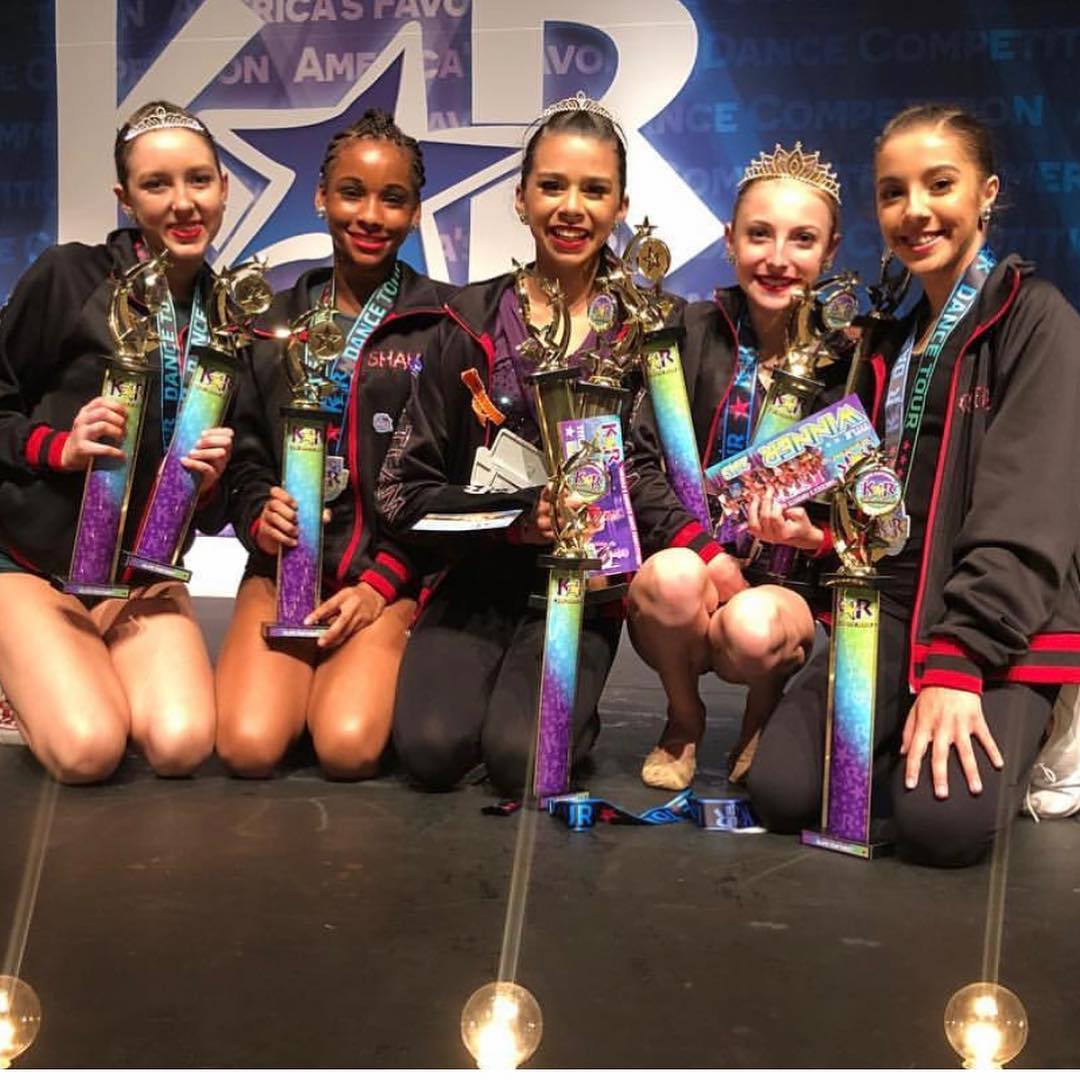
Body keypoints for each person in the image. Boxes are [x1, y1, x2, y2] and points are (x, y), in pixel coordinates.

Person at [746, 104, 1080, 867]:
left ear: (986, 193)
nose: (915, 210)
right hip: (892, 605)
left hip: (1002, 624)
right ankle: (905, 731)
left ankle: (1033, 732)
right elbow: (888, 503)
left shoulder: (1038, 321)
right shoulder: (888, 339)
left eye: (940, 184)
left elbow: (1029, 514)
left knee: (940, 827)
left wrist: (958, 663)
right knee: (784, 791)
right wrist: (820, 537)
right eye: (893, 192)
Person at [376, 93, 629, 796]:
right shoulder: (467, 321)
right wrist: (516, 518)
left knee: (522, 762)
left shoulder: (647, 330)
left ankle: (556, 710)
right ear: (521, 198)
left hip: (586, 590)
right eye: (551, 186)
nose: (571, 207)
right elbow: (402, 493)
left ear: (621, 206)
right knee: (430, 752)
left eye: (594, 190)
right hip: (479, 577)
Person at [0, 101, 234, 782]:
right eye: (156, 184)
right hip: (32, 564)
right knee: (88, 750)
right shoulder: (69, 276)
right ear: (124, 198)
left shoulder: (234, 317)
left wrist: (211, 488)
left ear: (224, 187)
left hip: (140, 578)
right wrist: (58, 446)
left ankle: (69, 668)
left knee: (182, 744)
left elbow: (217, 508)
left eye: (198, 180)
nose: (183, 203)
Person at [216, 109, 451, 779]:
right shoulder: (269, 324)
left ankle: (347, 677)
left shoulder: (446, 324)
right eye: (352, 192)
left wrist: (384, 584)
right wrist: (256, 512)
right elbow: (244, 454)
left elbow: (450, 481)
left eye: (392, 198)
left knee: (346, 748)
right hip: (283, 570)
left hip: (387, 577)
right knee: (248, 748)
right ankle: (296, 686)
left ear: (415, 212)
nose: (370, 215)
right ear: (321, 197)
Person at [625, 142, 843, 791]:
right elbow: (638, 465)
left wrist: (813, 536)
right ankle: (683, 715)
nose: (777, 257)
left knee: (752, 628)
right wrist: (708, 553)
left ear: (830, 252)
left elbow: (871, 500)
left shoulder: (852, 360)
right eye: (759, 234)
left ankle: (763, 710)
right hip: (693, 572)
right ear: (729, 240)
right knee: (668, 578)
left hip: (783, 596)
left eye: (802, 239)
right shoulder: (684, 332)